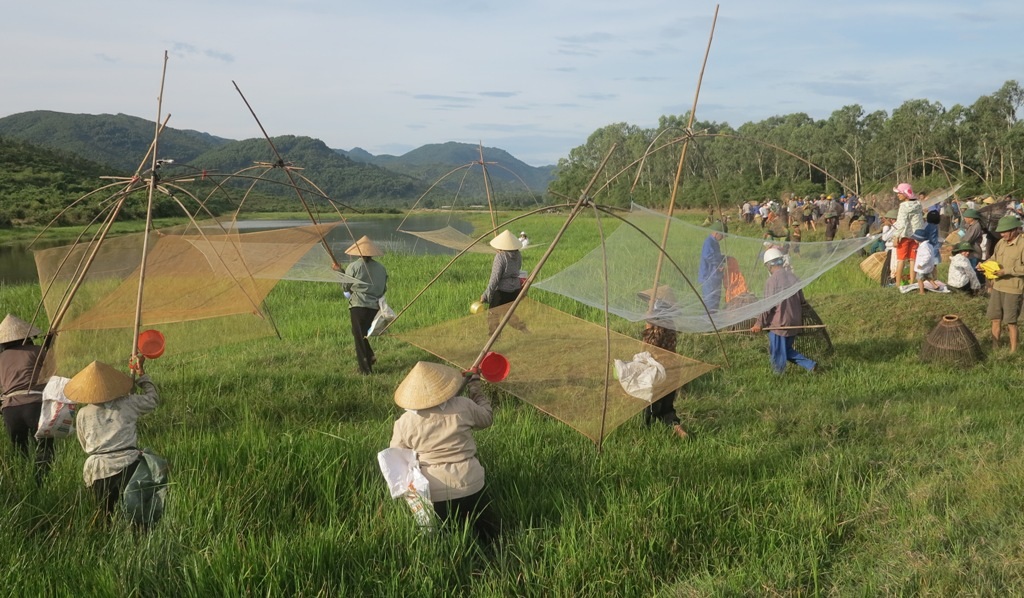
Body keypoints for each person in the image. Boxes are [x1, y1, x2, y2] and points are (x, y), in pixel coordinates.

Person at [389, 361, 499, 544]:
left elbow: (397, 456)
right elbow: (486, 418)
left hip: (435, 492)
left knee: (446, 536)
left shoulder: (404, 422)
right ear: (443, 387)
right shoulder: (463, 405)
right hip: (471, 482)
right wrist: (476, 390)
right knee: (488, 533)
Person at [67, 358, 159, 520]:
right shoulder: (128, 403)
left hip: (98, 470)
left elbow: (84, 444)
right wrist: (142, 374)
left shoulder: (83, 414)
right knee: (136, 513)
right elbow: (152, 399)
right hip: (129, 464)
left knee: (104, 515)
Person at [0, 314, 53, 484]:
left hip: (10, 410)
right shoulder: (38, 351)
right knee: (44, 448)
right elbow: (53, 376)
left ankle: (24, 484)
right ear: (28, 336)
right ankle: (42, 483)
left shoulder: (1, 358)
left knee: (20, 451)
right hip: (35, 406)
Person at [751, 248, 817, 374]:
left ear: (769, 265)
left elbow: (767, 305)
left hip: (779, 324)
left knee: (778, 352)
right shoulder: (793, 277)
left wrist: (759, 323)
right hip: (795, 321)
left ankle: (778, 376)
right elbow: (802, 301)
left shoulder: (772, 281)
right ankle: (810, 365)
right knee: (785, 350)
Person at [342, 235, 388, 375]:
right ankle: (370, 356)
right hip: (374, 306)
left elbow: (345, 286)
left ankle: (365, 370)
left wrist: (340, 273)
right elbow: (383, 289)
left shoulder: (354, 266)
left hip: (358, 306)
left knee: (359, 337)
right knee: (360, 334)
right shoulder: (381, 268)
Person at [987, 216, 1024, 352]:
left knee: (1011, 322)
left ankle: (1013, 351)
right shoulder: (1001, 243)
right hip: (997, 287)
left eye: (1005, 231)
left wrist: (1007, 271)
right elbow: (993, 258)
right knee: (995, 318)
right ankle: (995, 348)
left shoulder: (1022, 245)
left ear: (1015, 230)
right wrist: (984, 265)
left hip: (1013, 289)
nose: (1002, 234)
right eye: (1001, 232)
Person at [481, 230, 524, 334]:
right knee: (508, 314)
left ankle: (494, 338)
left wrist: (486, 295)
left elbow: (495, 279)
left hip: (502, 292)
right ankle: (523, 329)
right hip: (515, 290)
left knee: (493, 316)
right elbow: (517, 268)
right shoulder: (518, 255)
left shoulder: (500, 257)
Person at [892, 182, 925, 285]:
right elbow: (919, 220)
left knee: (901, 259)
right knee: (912, 259)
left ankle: (897, 284)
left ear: (905, 194)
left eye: (899, 193)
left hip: (905, 236)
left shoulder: (903, 206)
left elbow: (901, 223)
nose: (898, 195)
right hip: (915, 236)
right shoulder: (918, 204)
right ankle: (912, 282)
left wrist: (896, 236)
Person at [697, 222, 726, 314]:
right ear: (717, 233)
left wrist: (724, 258)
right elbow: (708, 256)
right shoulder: (709, 242)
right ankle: (709, 324)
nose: (723, 238)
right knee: (710, 302)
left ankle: (714, 322)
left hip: (715, 277)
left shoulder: (715, 243)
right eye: (723, 235)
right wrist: (719, 264)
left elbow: (715, 256)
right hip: (709, 277)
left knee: (716, 301)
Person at [911, 228, 940, 295]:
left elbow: (927, 256)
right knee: (928, 277)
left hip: (922, 267)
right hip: (928, 266)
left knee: (919, 279)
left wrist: (921, 264)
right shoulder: (928, 245)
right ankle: (935, 286)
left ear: (918, 239)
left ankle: (922, 291)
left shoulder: (924, 246)